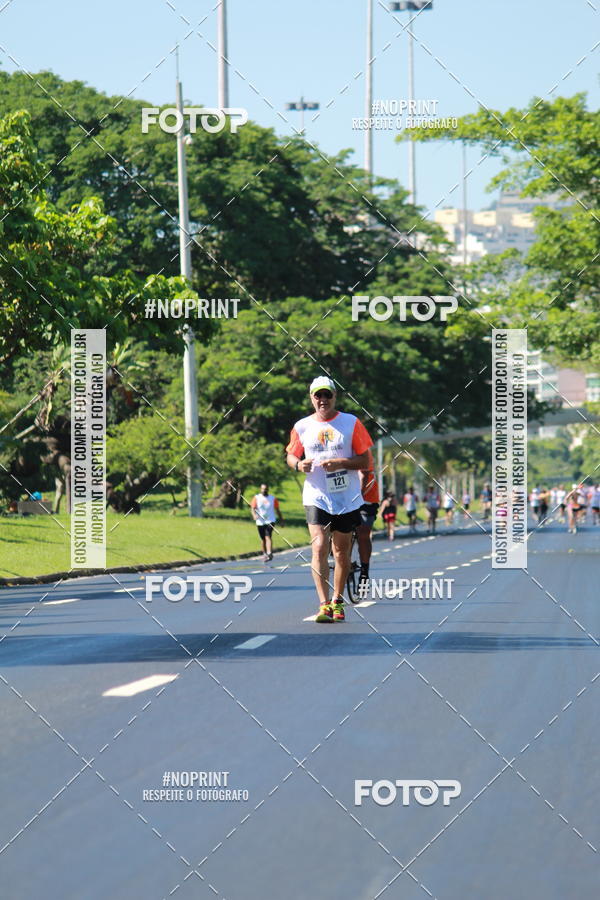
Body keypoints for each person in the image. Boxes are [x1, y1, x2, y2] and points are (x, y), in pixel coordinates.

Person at [286, 376, 372, 623]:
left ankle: (337, 600)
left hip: (346, 497)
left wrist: (341, 463)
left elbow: (365, 460)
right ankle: (324, 604)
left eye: (327, 395)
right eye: (318, 395)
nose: (323, 400)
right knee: (319, 546)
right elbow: (291, 455)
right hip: (316, 496)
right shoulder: (302, 426)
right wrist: (298, 465)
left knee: (341, 552)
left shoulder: (351, 423)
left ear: (335, 397)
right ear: (311, 398)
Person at [356, 448, 380, 594]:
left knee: (363, 534)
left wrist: (357, 496)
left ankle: (364, 573)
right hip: (343, 495)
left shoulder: (362, 447)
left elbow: (364, 474)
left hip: (366, 496)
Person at [250, 483, 283, 562]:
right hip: (260, 521)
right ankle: (264, 553)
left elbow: (277, 510)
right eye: (262, 489)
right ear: (260, 489)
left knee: (268, 536)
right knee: (263, 539)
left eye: (265, 489)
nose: (264, 490)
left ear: (268, 489)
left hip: (270, 520)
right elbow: (252, 508)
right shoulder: (256, 498)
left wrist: (281, 520)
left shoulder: (272, 498)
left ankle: (269, 553)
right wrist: (254, 515)